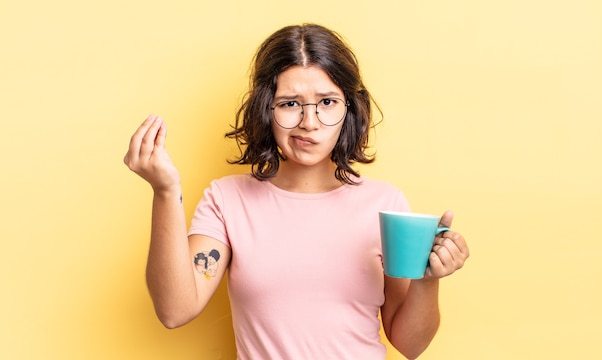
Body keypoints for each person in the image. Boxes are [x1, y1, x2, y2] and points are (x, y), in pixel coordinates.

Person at [123, 23, 469, 360]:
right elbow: (174, 310)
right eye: (290, 104)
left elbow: (410, 345)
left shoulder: (385, 204)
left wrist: (427, 280)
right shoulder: (227, 200)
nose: (310, 121)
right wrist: (165, 191)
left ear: (349, 108)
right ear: (266, 110)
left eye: (327, 102)